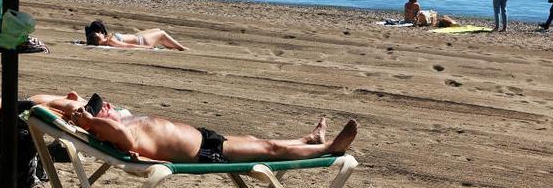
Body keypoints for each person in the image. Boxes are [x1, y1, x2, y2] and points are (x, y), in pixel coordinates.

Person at [49, 93, 358, 163]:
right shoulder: (119, 134)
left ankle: (308, 138)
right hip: (205, 151)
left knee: (255, 139)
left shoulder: (120, 120)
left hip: (205, 137)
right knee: (268, 150)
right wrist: (89, 121)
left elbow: (54, 103)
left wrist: (75, 108)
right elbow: (118, 135)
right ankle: (328, 149)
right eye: (99, 108)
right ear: (99, 124)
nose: (105, 106)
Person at [84, 20, 187, 50]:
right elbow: (128, 46)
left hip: (138, 37)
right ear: (98, 39)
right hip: (142, 41)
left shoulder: (106, 40)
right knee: (162, 33)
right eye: (98, 33)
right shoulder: (110, 41)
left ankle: (170, 46)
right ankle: (181, 48)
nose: (100, 32)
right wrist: (145, 47)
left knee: (157, 30)